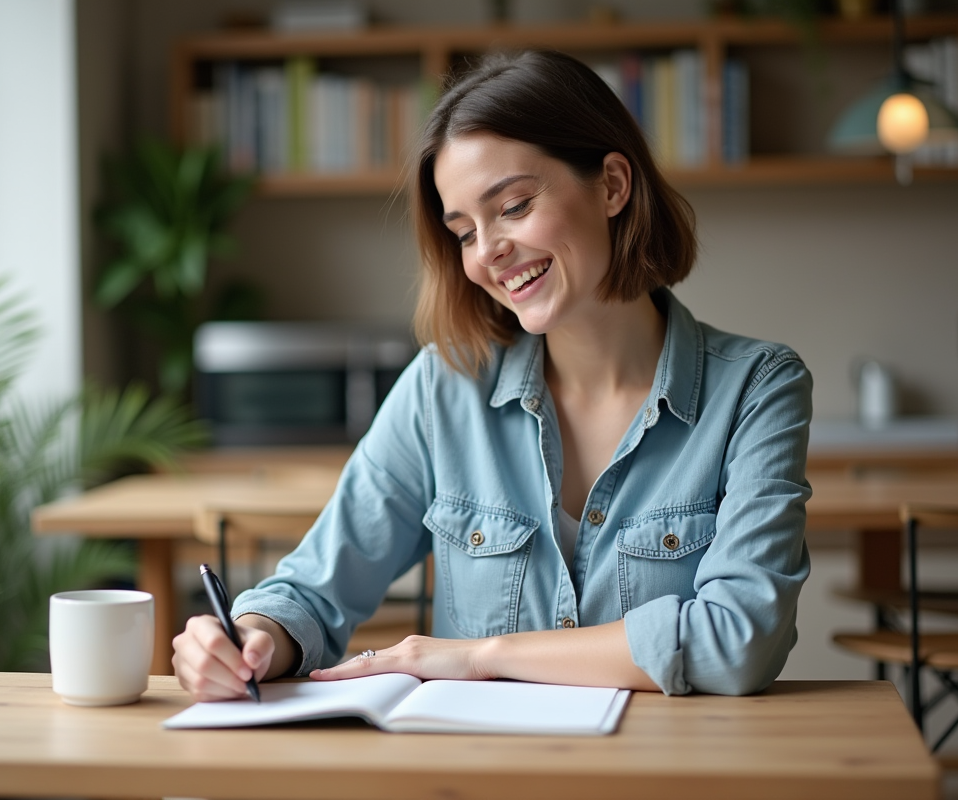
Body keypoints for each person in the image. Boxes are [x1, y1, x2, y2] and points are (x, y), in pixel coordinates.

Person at [172, 50, 812, 700]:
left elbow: (739, 639)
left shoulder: (758, 388)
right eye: (463, 231)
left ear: (613, 185)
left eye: (512, 206)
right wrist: (246, 639)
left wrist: (481, 656)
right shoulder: (443, 388)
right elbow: (313, 588)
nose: (487, 254)